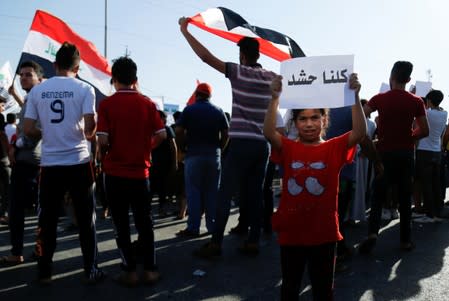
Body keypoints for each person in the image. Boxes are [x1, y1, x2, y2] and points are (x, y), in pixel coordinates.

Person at [179, 17, 277, 257]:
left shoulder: (237, 72)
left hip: (241, 143)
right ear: (258, 54)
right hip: (262, 146)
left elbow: (206, 57)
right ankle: (253, 240)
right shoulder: (272, 78)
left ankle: (215, 244)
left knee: (225, 193)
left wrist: (185, 31)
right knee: (255, 194)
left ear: (243, 55)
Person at [264, 74, 366, 300]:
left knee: (323, 290)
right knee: (290, 287)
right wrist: (274, 99)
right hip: (292, 232)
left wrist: (355, 96)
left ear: (324, 120)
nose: (309, 124)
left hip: (324, 233)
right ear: (294, 122)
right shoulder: (287, 147)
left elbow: (359, 133)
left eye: (315, 117)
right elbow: (269, 132)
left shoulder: (334, 147)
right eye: (302, 118)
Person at [23, 42, 104, 284]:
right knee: (86, 218)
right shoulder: (85, 89)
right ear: (77, 67)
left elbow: (27, 129)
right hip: (79, 161)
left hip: (50, 164)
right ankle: (91, 269)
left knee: (46, 220)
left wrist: (47, 132)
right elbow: (90, 131)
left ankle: (44, 271)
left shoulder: (37, 91)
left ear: (55, 64)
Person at [97, 56, 166, 287]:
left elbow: (103, 141)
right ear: (136, 80)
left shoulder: (106, 104)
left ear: (113, 79)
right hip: (141, 173)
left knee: (121, 224)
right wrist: (147, 146)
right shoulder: (147, 103)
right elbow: (162, 134)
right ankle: (150, 270)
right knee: (145, 223)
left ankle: (129, 270)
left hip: (115, 173)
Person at [359, 61, 429, 254]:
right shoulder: (416, 101)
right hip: (406, 154)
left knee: (377, 195)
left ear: (391, 77)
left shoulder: (379, 99)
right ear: (408, 79)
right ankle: (405, 240)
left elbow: (360, 118)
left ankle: (373, 233)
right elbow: (424, 130)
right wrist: (408, 136)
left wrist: (370, 141)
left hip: (383, 153)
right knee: (405, 198)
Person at [0, 61, 43, 266]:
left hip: (30, 162)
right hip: (30, 162)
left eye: (28, 74)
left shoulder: (38, 98)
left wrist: (15, 147)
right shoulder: (31, 97)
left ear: (39, 78)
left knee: (19, 210)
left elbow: (34, 133)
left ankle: (21, 252)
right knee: (29, 210)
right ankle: (31, 251)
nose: (23, 77)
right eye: (22, 75)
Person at [175, 82, 229, 237]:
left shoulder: (189, 110)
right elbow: (226, 133)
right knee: (212, 192)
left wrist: (182, 147)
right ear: (210, 96)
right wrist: (220, 148)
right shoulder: (218, 111)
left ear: (197, 94)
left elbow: (178, 130)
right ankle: (212, 227)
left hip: (194, 155)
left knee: (194, 192)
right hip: (213, 156)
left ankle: (193, 227)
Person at [414, 90, 447, 222]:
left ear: (428, 101)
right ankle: (437, 212)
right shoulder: (444, 113)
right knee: (435, 183)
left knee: (425, 183)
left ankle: (429, 215)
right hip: (436, 151)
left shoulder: (426, 113)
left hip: (424, 151)